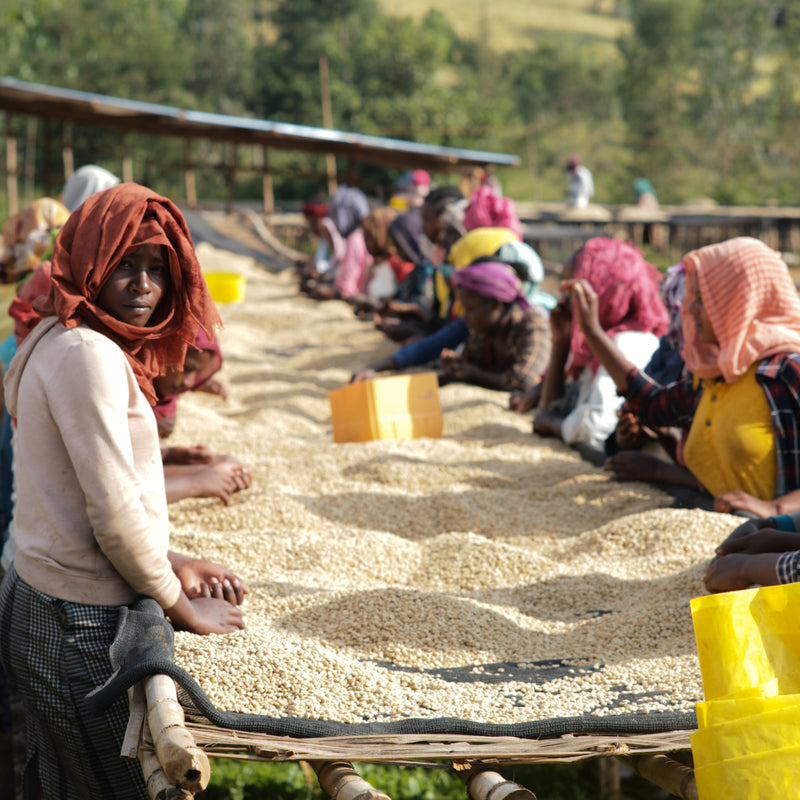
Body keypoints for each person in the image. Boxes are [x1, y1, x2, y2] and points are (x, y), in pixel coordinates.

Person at [0, 183, 246, 798]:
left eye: (157, 268)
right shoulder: (88, 355)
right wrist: (182, 605)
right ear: (91, 265)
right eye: (125, 266)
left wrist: (169, 558)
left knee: (63, 780)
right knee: (116, 785)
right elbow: (110, 513)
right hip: (72, 619)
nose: (144, 285)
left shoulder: (57, 334)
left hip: (43, 592)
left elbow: (82, 488)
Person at [564, 236, 800, 515]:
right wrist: (592, 333)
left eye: (703, 298)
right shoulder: (716, 375)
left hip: (775, 545)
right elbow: (651, 405)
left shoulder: (786, 372)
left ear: (739, 298)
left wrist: (775, 508)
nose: (690, 309)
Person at [533, 237, 668, 464]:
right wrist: (561, 344)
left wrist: (554, 426)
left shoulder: (630, 343)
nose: (563, 300)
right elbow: (551, 410)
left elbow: (593, 428)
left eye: (572, 290)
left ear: (602, 290)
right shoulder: (590, 345)